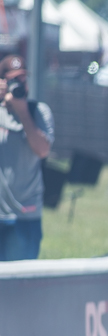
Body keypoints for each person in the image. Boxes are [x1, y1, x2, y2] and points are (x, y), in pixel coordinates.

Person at [0, 55, 52, 261]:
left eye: (23, 78)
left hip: (25, 215)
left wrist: (22, 112)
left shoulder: (38, 111)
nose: (19, 84)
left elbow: (42, 150)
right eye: (13, 80)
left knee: (21, 278)